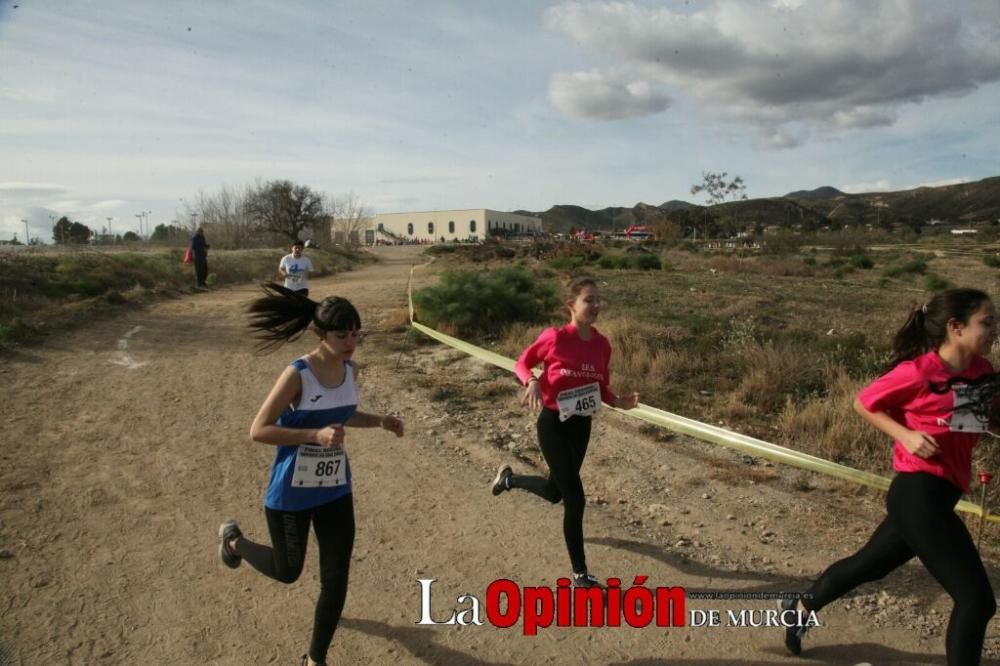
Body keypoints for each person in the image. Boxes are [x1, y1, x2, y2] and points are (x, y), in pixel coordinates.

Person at [782, 288, 997, 665]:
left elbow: (972, 422)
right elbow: (863, 402)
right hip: (918, 493)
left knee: (872, 565)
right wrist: (906, 435)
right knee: (976, 600)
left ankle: (803, 605)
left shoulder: (982, 371)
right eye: (987, 322)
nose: (995, 330)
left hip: (947, 490)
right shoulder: (917, 372)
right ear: (955, 327)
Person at [217, 284, 404, 666]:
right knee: (288, 571)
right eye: (342, 335)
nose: (351, 341)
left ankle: (314, 658)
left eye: (356, 333)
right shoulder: (298, 374)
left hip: (335, 489)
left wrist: (380, 421)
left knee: (336, 578)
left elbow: (343, 413)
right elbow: (259, 429)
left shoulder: (350, 369)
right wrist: (313, 436)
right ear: (321, 334)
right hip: (291, 494)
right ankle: (234, 542)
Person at [490, 275, 639, 587]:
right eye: (589, 300)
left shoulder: (602, 344)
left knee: (554, 492)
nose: (596, 305)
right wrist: (531, 380)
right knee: (576, 498)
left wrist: (619, 402)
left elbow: (600, 387)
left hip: (581, 426)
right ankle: (580, 574)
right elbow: (522, 362)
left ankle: (509, 479)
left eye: (599, 300)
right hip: (553, 425)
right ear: (571, 305)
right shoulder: (555, 337)